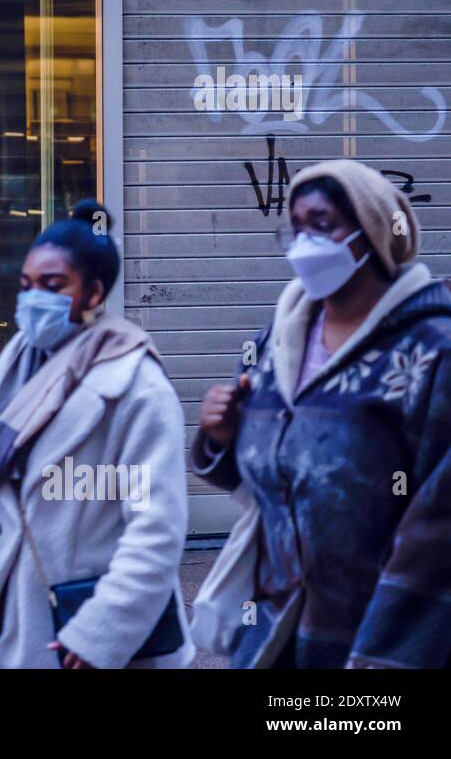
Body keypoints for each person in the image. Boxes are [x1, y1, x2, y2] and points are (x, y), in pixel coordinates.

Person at [191, 159, 451, 669]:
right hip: (274, 634)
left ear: (371, 231)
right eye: (296, 226)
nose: (304, 242)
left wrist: (384, 658)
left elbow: (437, 534)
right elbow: (270, 479)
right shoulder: (280, 341)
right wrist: (222, 438)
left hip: (377, 639)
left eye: (323, 224)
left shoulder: (430, 352)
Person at [0, 200, 192, 669]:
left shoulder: (136, 387)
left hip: (88, 617)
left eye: (54, 286)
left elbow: (157, 530)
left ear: (94, 294)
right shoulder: (24, 361)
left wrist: (101, 632)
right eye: (27, 285)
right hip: (13, 609)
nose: (34, 300)